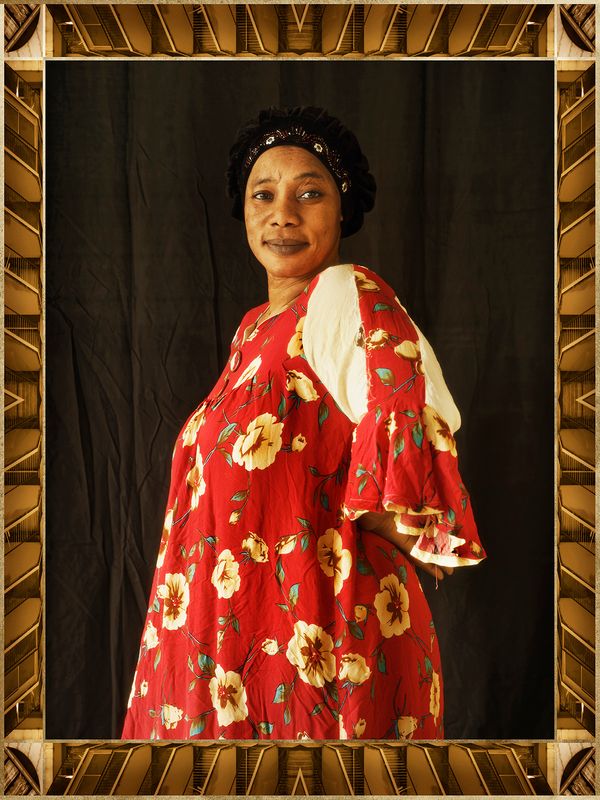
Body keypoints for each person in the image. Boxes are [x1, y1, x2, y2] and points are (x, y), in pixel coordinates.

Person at [122, 106, 486, 741]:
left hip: (322, 651)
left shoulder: (346, 293)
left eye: (309, 194)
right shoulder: (251, 332)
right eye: (263, 194)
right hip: (226, 648)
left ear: (342, 210)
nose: (282, 214)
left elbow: (418, 479)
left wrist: (381, 519)